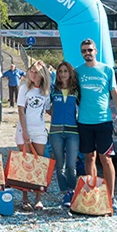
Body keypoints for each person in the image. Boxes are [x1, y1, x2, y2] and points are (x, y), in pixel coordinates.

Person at [75, 38, 117, 202]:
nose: (87, 53)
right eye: (84, 51)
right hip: (84, 122)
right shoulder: (77, 71)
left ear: (95, 51)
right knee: (89, 157)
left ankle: (110, 196)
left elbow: (115, 93)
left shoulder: (107, 70)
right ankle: (93, 192)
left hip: (103, 120)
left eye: (89, 50)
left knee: (106, 158)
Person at [15, 60, 51, 211]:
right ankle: (25, 198)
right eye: (32, 71)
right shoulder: (24, 89)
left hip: (40, 131)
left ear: (43, 74)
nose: (34, 75)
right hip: (25, 130)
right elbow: (21, 110)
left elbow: (48, 110)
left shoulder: (46, 91)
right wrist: (25, 132)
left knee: (39, 165)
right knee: (25, 164)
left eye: (37, 72)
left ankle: (38, 198)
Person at [50, 61, 80, 208]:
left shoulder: (76, 91)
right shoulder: (53, 90)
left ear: (70, 73)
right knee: (59, 164)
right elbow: (46, 107)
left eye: (65, 71)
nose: (62, 74)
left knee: (71, 165)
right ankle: (65, 193)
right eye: (60, 71)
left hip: (73, 131)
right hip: (55, 132)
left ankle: (72, 190)